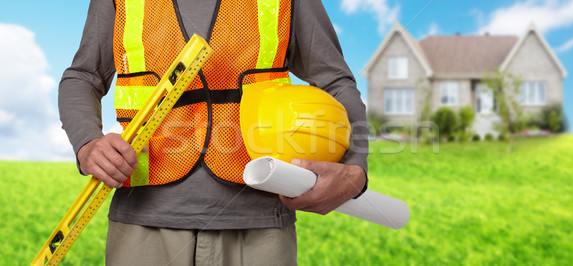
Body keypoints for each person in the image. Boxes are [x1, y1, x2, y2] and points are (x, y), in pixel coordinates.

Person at [59, 0, 368, 264]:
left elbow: (335, 81)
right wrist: (88, 144)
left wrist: (355, 168)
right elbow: (83, 77)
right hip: (142, 222)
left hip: (259, 224)